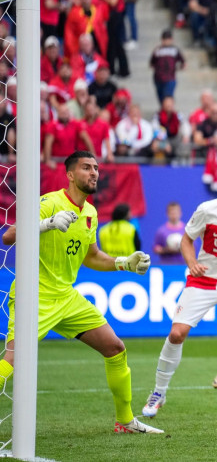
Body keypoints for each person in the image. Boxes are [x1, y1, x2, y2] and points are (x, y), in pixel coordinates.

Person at [0, 151, 161, 433]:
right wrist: (47, 224)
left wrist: (125, 263)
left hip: (67, 297)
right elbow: (9, 236)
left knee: (115, 348)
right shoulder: (50, 202)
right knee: (13, 359)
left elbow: (92, 256)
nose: (94, 172)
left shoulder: (90, 213)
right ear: (71, 174)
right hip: (34, 295)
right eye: (86, 167)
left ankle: (125, 421)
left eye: (96, 168)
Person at [142, 166, 217, 419]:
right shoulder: (208, 209)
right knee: (176, 334)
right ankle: (159, 392)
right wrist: (191, 263)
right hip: (204, 280)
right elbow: (187, 240)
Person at [150, 29, 185, 103]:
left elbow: (183, 61)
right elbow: (152, 63)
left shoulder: (175, 50)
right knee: (161, 98)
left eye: (168, 39)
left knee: (168, 97)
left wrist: (178, 68)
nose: (166, 41)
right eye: (165, 39)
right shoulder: (157, 50)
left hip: (170, 78)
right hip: (158, 78)